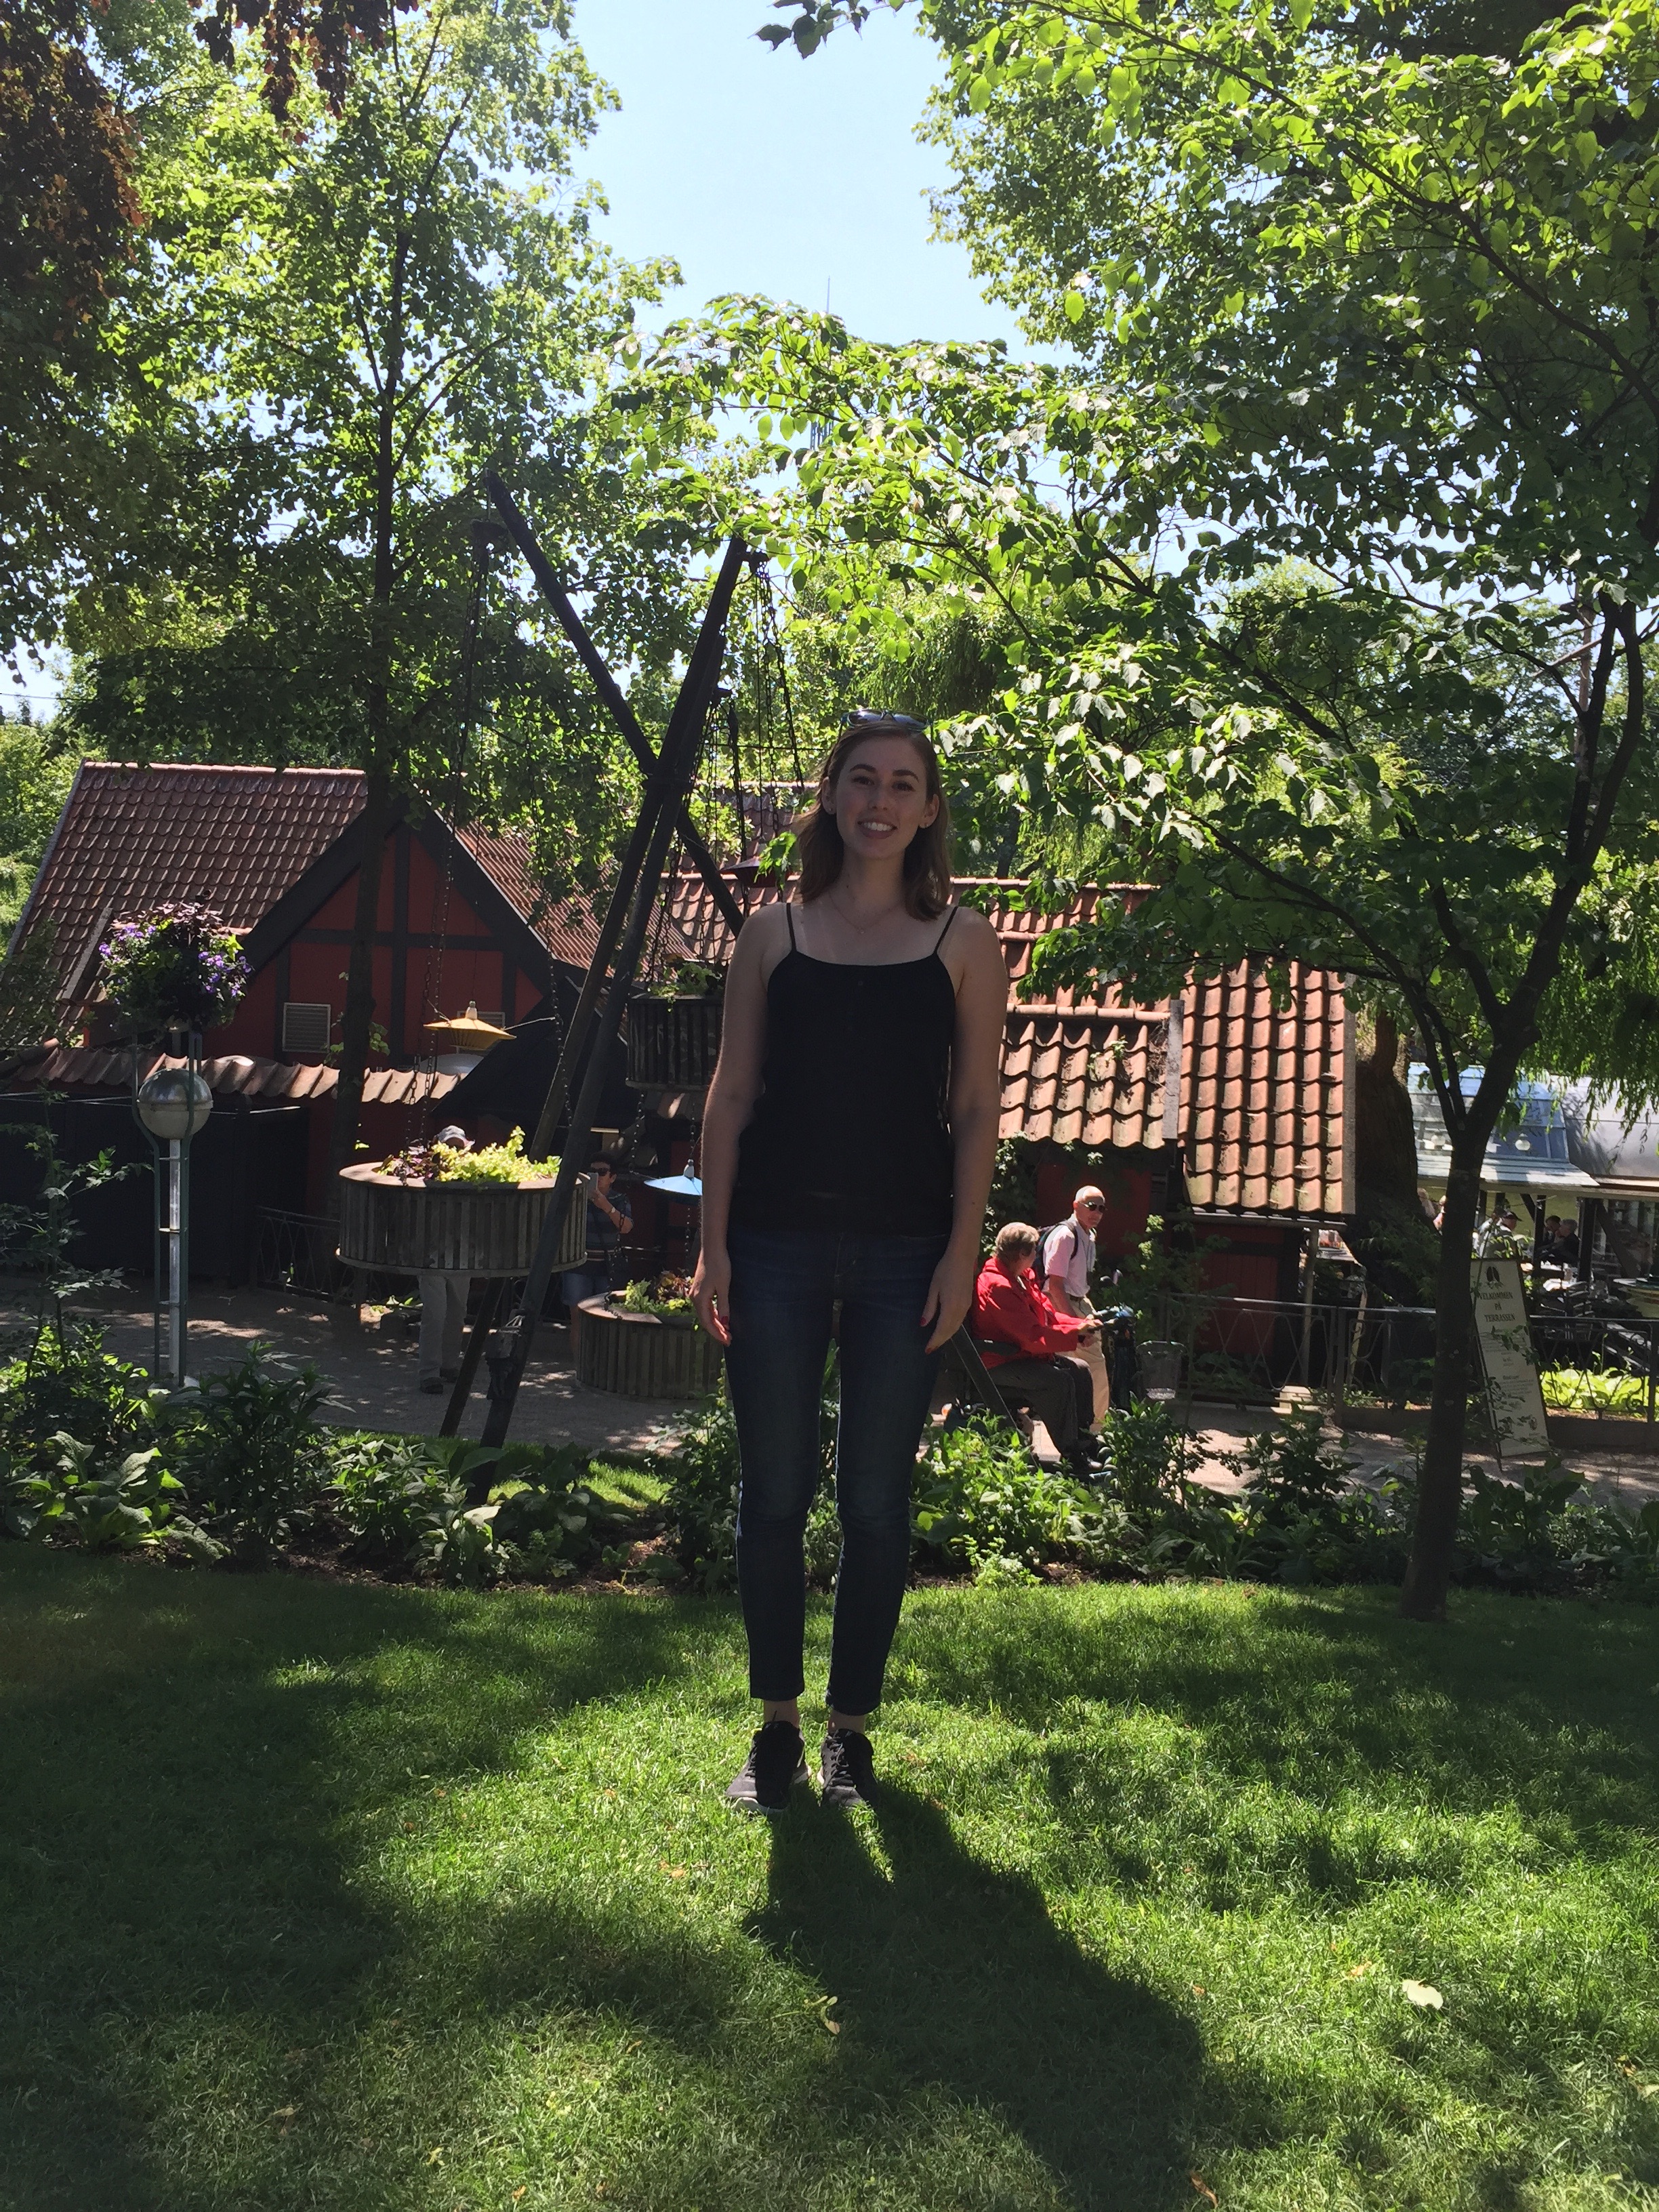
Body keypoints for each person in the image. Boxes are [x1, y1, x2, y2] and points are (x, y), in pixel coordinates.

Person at [693, 709, 1007, 1816]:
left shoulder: (962, 939)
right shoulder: (770, 934)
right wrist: (712, 1246)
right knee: (773, 1495)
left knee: (876, 1502)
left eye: (902, 783)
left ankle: (850, 1737)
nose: (879, 800)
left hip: (905, 1254)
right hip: (771, 1245)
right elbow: (731, 1095)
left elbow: (977, 1107)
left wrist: (962, 1254)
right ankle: (776, 1728)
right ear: (830, 795)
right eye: (861, 779)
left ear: (928, 809)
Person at [972, 1223, 1102, 1476]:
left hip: (1021, 1357)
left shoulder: (1022, 1278)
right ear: (1022, 1254)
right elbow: (1031, 1337)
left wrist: (1080, 1327)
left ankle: (1087, 1444)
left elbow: (1048, 1317)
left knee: (1080, 1370)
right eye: (1034, 1250)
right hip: (999, 1363)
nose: (1037, 1254)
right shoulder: (997, 1286)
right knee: (1057, 1381)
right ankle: (1073, 1456)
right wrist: (1074, 1336)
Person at [1042, 1185, 1109, 1427]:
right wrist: (1075, 1326)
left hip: (1080, 1303)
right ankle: (1092, 1429)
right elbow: (1055, 1286)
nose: (1097, 1213)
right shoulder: (1066, 1236)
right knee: (1086, 1368)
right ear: (1075, 1206)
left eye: (1101, 1209)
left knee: (1080, 1368)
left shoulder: (1089, 1235)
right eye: (1091, 1206)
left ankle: (1087, 1427)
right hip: (1062, 1304)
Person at [417, 1124, 474, 1394]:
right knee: (435, 1314)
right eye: (449, 1146)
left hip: (461, 1254)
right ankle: (429, 1373)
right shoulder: (424, 1175)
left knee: (457, 1314)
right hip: (431, 1255)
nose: (453, 1151)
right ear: (438, 1147)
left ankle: (449, 1365)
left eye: (457, 1147)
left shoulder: (473, 1177)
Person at [560, 1153, 633, 1349]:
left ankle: (602, 1363)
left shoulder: (619, 1199)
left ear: (612, 1177)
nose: (597, 1176)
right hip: (578, 1265)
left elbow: (626, 1227)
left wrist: (606, 1206)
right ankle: (578, 1364)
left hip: (606, 1267)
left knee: (607, 1318)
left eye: (602, 1172)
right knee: (577, 1319)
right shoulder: (577, 1197)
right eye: (592, 1172)